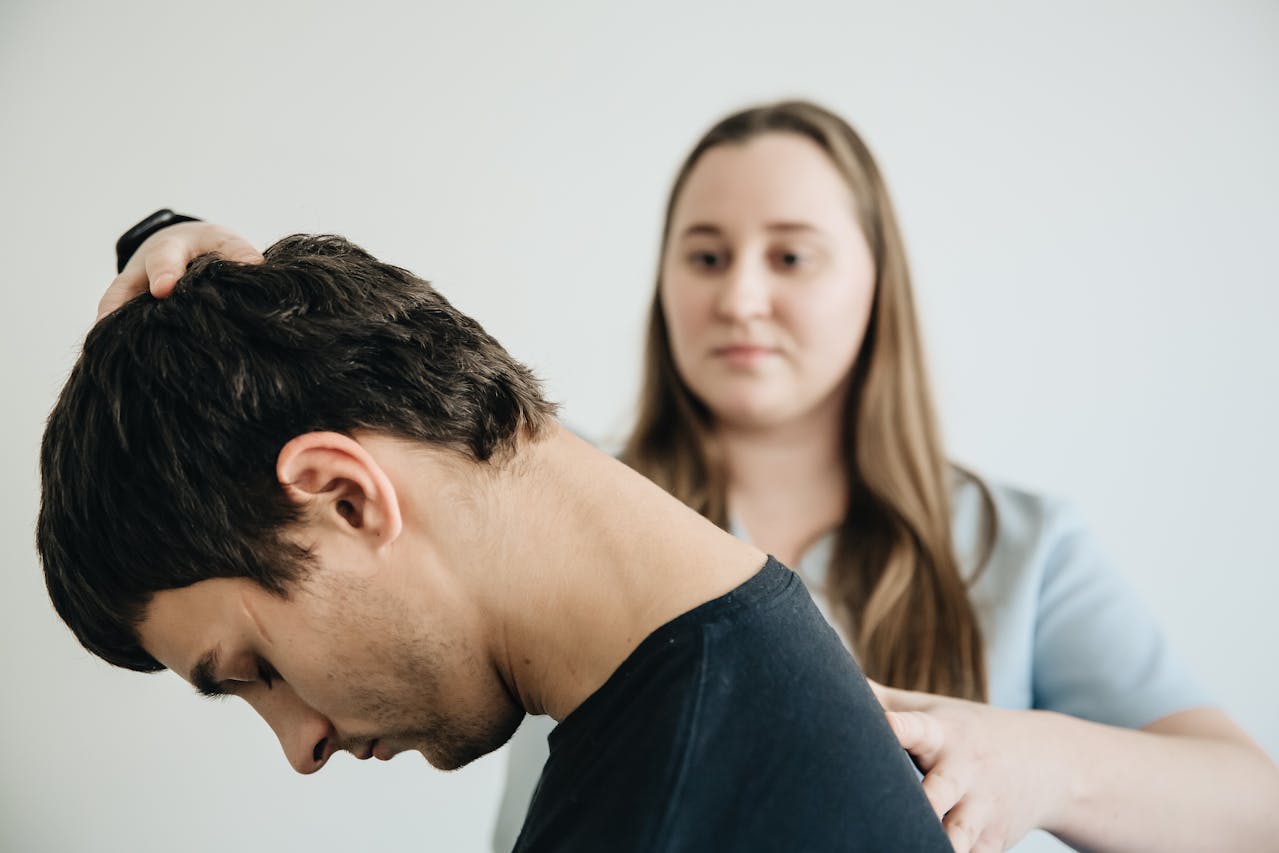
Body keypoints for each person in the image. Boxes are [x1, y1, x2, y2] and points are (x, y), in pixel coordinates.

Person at [104, 102, 1279, 853]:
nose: (740, 297)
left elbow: (1253, 807)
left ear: (877, 285)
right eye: (704, 255)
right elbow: (396, 402)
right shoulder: (572, 501)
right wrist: (193, 282)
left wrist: (1038, 762)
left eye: (791, 256)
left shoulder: (1017, 544)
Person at [40, 235, 953, 852]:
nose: (300, 744)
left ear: (346, 498)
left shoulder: (668, 815)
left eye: (256, 667)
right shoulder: (743, 684)